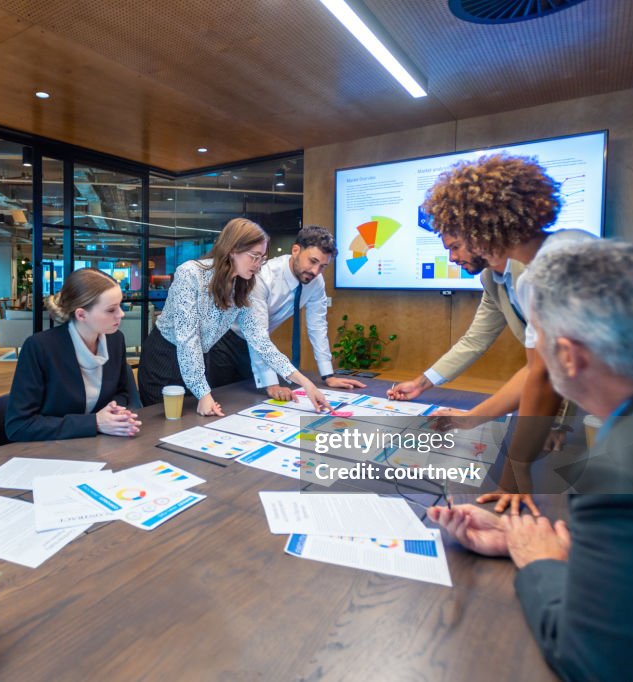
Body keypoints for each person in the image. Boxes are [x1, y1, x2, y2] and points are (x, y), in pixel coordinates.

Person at [429, 240, 633, 681]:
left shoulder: (629, 472)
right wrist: (537, 540)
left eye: (537, 337)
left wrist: (539, 561)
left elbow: (596, 660)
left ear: (567, 355)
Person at [419, 153, 595, 515]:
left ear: (480, 228)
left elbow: (545, 379)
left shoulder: (553, 266)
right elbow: (536, 371)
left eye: (456, 240)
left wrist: (515, 473)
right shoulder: (548, 260)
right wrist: (471, 419)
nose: (452, 254)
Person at [137, 217, 331, 416]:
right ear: (232, 250)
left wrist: (305, 383)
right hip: (164, 360)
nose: (258, 265)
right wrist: (203, 394)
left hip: (201, 362)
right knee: (162, 428)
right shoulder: (190, 274)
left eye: (262, 258)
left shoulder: (244, 285)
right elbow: (188, 340)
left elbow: (259, 340)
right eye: (254, 256)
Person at [207, 225, 367, 400]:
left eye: (323, 266)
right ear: (296, 250)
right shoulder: (262, 277)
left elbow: (317, 326)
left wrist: (328, 375)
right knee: (221, 399)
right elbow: (257, 333)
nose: (315, 271)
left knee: (248, 401)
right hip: (224, 342)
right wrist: (271, 384)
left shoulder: (315, 282)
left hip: (258, 346)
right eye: (312, 261)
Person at [5, 268, 140, 441]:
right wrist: (95, 422)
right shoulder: (40, 347)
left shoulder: (115, 340)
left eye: (120, 306)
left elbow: (122, 392)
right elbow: (19, 426)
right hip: (53, 453)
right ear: (81, 314)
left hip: (101, 445)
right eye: (111, 310)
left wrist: (114, 411)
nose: (121, 314)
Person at [387, 233, 526, 401]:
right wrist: (420, 384)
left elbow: (541, 363)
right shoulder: (489, 278)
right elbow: (475, 340)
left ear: (482, 235)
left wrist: (471, 418)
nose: (452, 258)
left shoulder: (534, 268)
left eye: (455, 247)